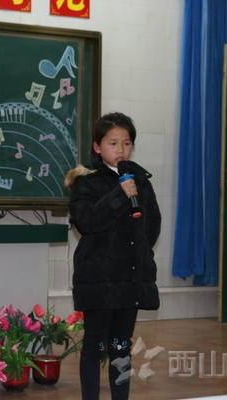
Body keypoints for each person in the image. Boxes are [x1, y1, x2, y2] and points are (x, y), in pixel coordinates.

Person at [64, 112, 161, 400]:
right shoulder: (86, 181)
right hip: (99, 277)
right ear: (97, 146)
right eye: (113, 143)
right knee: (95, 345)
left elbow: (152, 224)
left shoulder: (141, 181)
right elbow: (87, 222)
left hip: (128, 276)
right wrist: (119, 193)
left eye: (127, 143)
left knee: (121, 345)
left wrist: (139, 252)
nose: (121, 150)